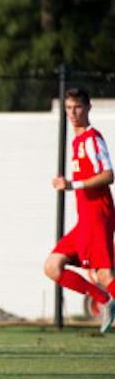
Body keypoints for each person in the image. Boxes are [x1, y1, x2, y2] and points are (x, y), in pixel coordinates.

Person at [44, 87, 115, 332]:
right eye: (69, 108)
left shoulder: (93, 139)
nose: (73, 113)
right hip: (84, 219)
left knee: (105, 274)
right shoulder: (77, 142)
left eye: (78, 107)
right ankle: (105, 299)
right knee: (52, 266)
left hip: (97, 215)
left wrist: (73, 184)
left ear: (88, 108)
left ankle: (106, 299)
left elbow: (108, 175)